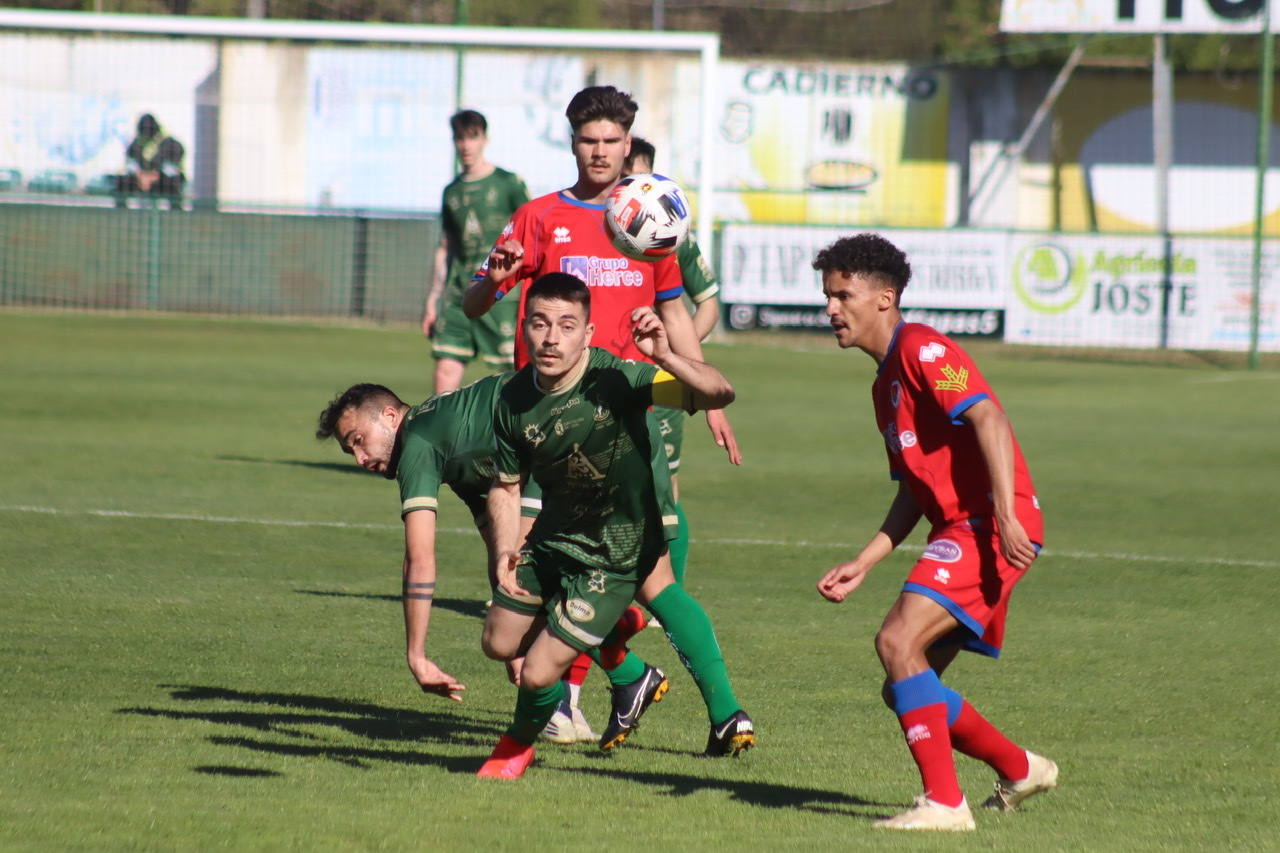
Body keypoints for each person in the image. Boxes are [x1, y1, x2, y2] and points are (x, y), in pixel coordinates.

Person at [812, 234, 1057, 832]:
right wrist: (866, 560)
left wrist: (1003, 514)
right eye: (827, 296)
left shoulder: (922, 348)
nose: (831, 309)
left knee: (898, 644)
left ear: (885, 298)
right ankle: (1020, 767)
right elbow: (911, 490)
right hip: (962, 523)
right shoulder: (883, 384)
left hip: (988, 523)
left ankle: (946, 803)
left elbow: (989, 417)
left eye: (843, 295)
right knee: (906, 683)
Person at [476, 273, 754, 779]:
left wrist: (665, 355)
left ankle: (516, 745)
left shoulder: (620, 378)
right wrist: (504, 549)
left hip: (619, 540)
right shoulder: (512, 398)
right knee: (498, 642)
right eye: (540, 324)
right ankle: (631, 673)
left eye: (566, 325)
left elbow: (720, 391)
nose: (551, 338)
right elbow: (508, 485)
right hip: (558, 534)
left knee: (546, 667)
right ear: (524, 328)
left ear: (588, 332)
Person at [622, 136, 725, 581]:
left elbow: (707, 306)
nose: (636, 188)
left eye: (644, 179)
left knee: (666, 493)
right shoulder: (595, 228)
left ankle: (669, 595)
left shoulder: (671, 233)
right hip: (604, 377)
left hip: (658, 381)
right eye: (629, 180)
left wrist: (673, 357)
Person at [424, 110, 529, 394]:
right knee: (446, 367)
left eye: (472, 137)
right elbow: (446, 247)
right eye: (460, 138)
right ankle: (442, 434)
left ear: (485, 139)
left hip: (500, 294)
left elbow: (530, 233)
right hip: (459, 294)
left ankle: (520, 433)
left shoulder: (509, 183)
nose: (465, 145)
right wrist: (433, 301)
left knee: (514, 370)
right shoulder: (451, 192)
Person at [116, 114, 185, 207]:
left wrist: (155, 175)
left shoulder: (170, 143)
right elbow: (130, 162)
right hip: (140, 179)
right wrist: (139, 174)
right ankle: (121, 214)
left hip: (162, 180)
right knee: (122, 183)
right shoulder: (137, 142)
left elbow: (173, 167)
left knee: (173, 187)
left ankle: (176, 216)